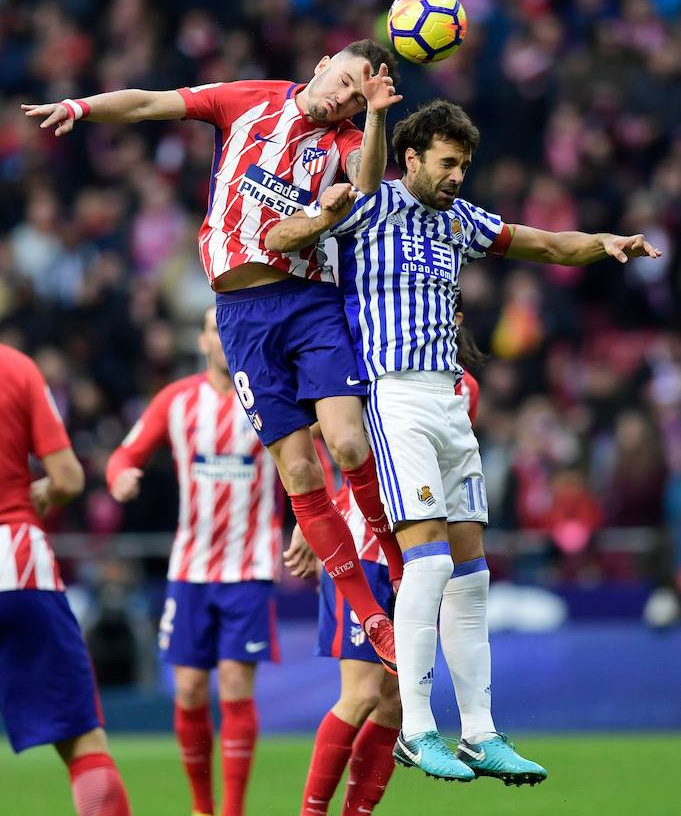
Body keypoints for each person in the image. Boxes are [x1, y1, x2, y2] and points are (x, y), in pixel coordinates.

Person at [265, 98, 662, 783]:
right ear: (411, 157)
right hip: (394, 396)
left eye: (464, 165)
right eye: (447, 163)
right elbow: (292, 232)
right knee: (426, 564)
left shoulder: (460, 220)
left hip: (449, 399)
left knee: (470, 569)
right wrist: (354, 164)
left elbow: (541, 243)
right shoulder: (369, 207)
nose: (456, 176)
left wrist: (605, 244)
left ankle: (479, 732)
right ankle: (417, 728)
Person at [23, 40, 405, 672]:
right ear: (320, 66)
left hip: (308, 300)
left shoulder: (343, 137)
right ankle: (371, 615)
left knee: (348, 445)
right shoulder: (249, 100)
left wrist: (375, 116)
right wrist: (81, 107)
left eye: (354, 95)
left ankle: (396, 563)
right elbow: (149, 103)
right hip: (242, 317)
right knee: (300, 475)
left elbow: (365, 185)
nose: (341, 97)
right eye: (342, 82)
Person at [289, 319, 482, 816]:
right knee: (360, 694)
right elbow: (313, 431)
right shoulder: (374, 369)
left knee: (397, 701)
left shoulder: (464, 389)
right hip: (364, 551)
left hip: (419, 560)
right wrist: (312, 514)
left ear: (453, 321)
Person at [106, 308, 280, 816]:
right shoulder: (177, 401)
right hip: (191, 569)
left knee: (233, 682)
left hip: (249, 567)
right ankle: (202, 807)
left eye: (231, 329)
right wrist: (121, 478)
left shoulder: (269, 397)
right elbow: (124, 454)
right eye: (214, 331)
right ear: (203, 341)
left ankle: (232, 811)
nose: (225, 339)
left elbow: (311, 464)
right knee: (187, 688)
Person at [0, 343, 132, 816]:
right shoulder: (14, 368)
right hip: (17, 567)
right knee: (84, 743)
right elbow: (69, 477)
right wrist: (42, 491)